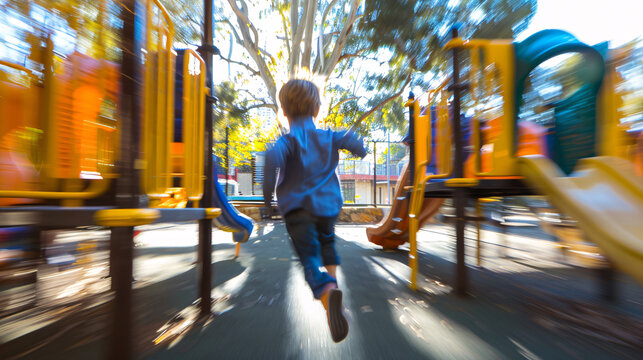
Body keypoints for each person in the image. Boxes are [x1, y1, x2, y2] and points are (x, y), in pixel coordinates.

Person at [263, 79, 366, 343]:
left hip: (298, 209)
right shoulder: (329, 137)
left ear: (284, 112)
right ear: (317, 110)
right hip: (328, 207)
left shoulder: (287, 141)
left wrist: (267, 200)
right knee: (328, 244)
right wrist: (359, 147)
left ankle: (327, 292)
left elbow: (272, 160)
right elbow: (352, 141)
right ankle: (335, 299)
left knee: (309, 256)